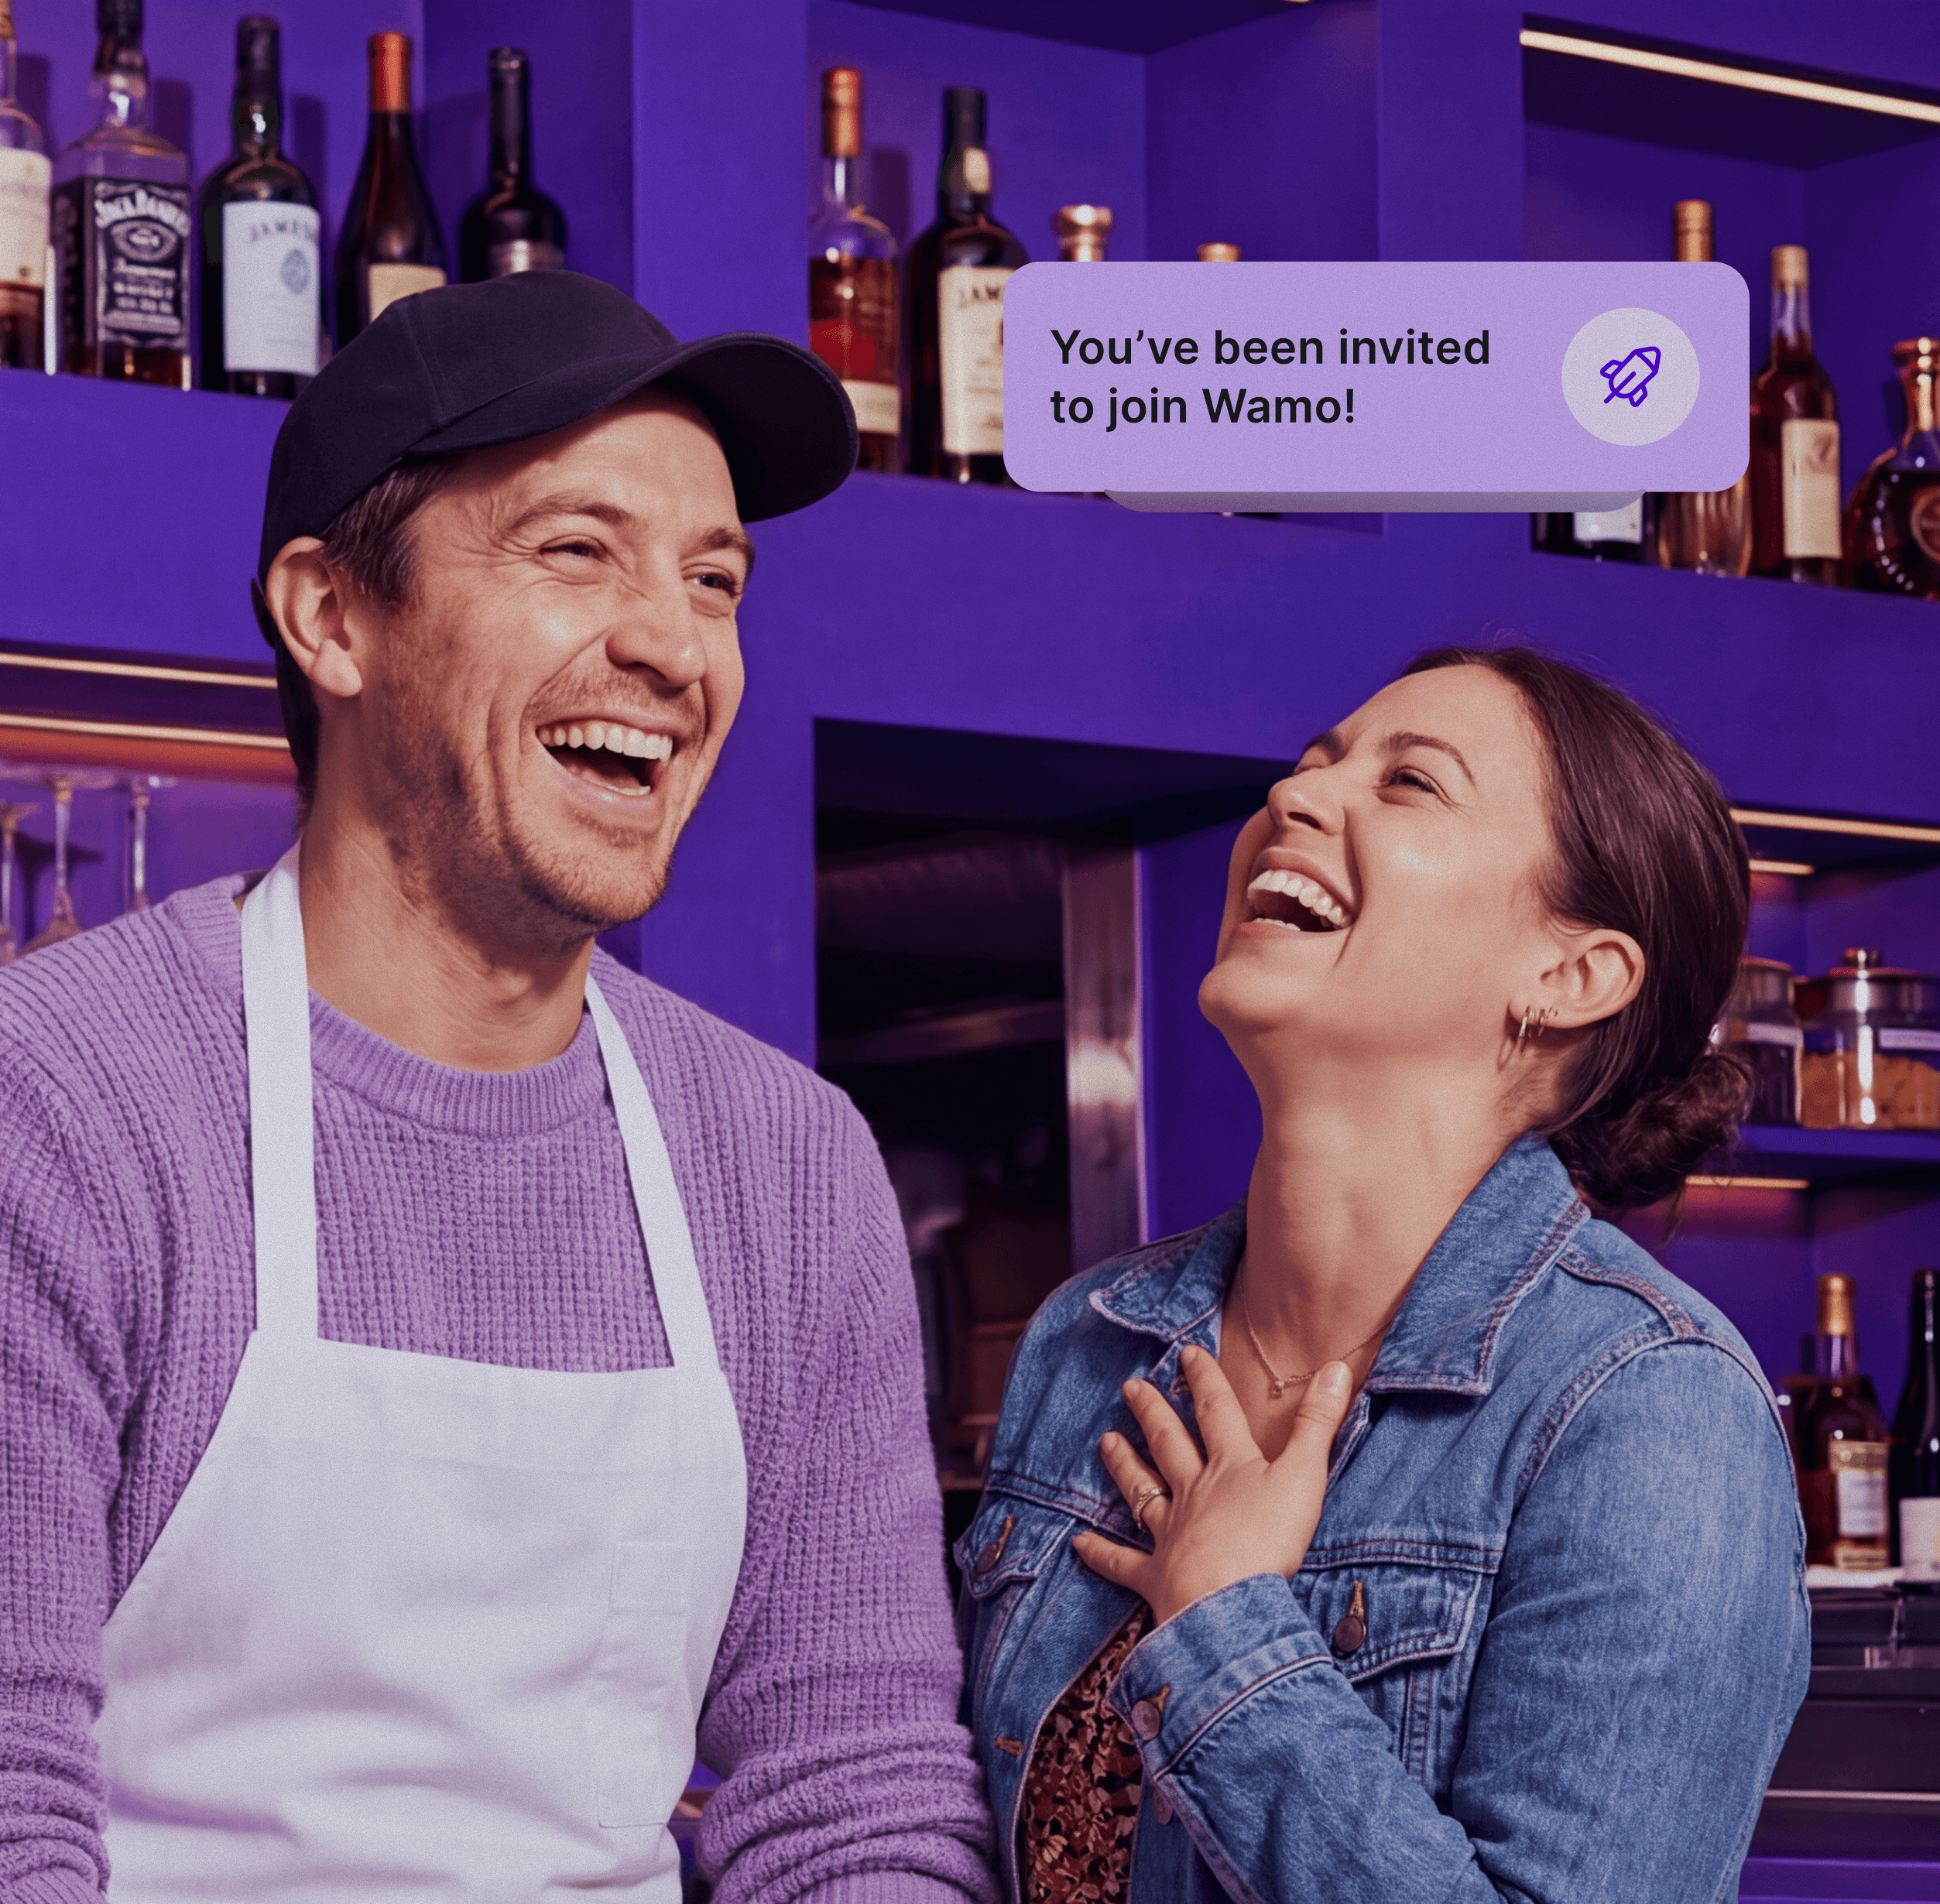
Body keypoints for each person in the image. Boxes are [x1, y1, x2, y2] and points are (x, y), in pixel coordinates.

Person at [0, 272, 996, 1902]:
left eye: (715, 577)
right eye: (573, 550)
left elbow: (852, 1793)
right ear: (332, 615)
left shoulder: (784, 1162)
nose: (672, 642)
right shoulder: (63, 1105)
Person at [958, 646, 1809, 1902]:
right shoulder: (1088, 1342)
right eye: (1313, 763)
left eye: (1408, 784)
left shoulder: (1643, 1410)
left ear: (1568, 977)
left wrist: (1229, 1625)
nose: (1294, 799)